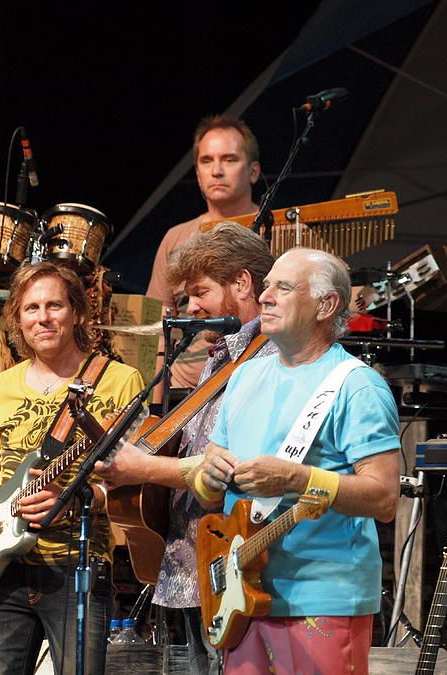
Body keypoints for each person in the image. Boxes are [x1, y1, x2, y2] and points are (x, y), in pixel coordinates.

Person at [192, 247, 401, 674]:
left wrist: (296, 478)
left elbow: (384, 498)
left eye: (283, 288)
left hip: (322, 598)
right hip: (241, 594)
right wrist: (207, 475)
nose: (264, 296)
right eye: (267, 285)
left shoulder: (358, 386)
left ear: (326, 305)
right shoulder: (244, 376)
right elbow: (209, 485)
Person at [97, 221, 276, 674]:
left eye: (200, 293)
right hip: (196, 571)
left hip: (237, 571)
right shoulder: (220, 356)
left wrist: (143, 470)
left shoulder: (269, 358)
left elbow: (235, 468)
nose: (191, 308)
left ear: (242, 283)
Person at [0, 261, 144, 675]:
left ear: (76, 312)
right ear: (17, 320)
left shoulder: (120, 381)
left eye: (54, 305)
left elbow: (136, 487)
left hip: (76, 567)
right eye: (31, 308)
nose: (43, 318)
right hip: (0, 567)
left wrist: (77, 501)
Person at [146, 115, 262, 400]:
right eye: (207, 161)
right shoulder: (175, 238)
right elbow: (159, 332)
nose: (217, 171)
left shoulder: (285, 229)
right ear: (197, 174)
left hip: (257, 385)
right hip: (184, 395)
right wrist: (156, 409)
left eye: (229, 159)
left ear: (253, 171)